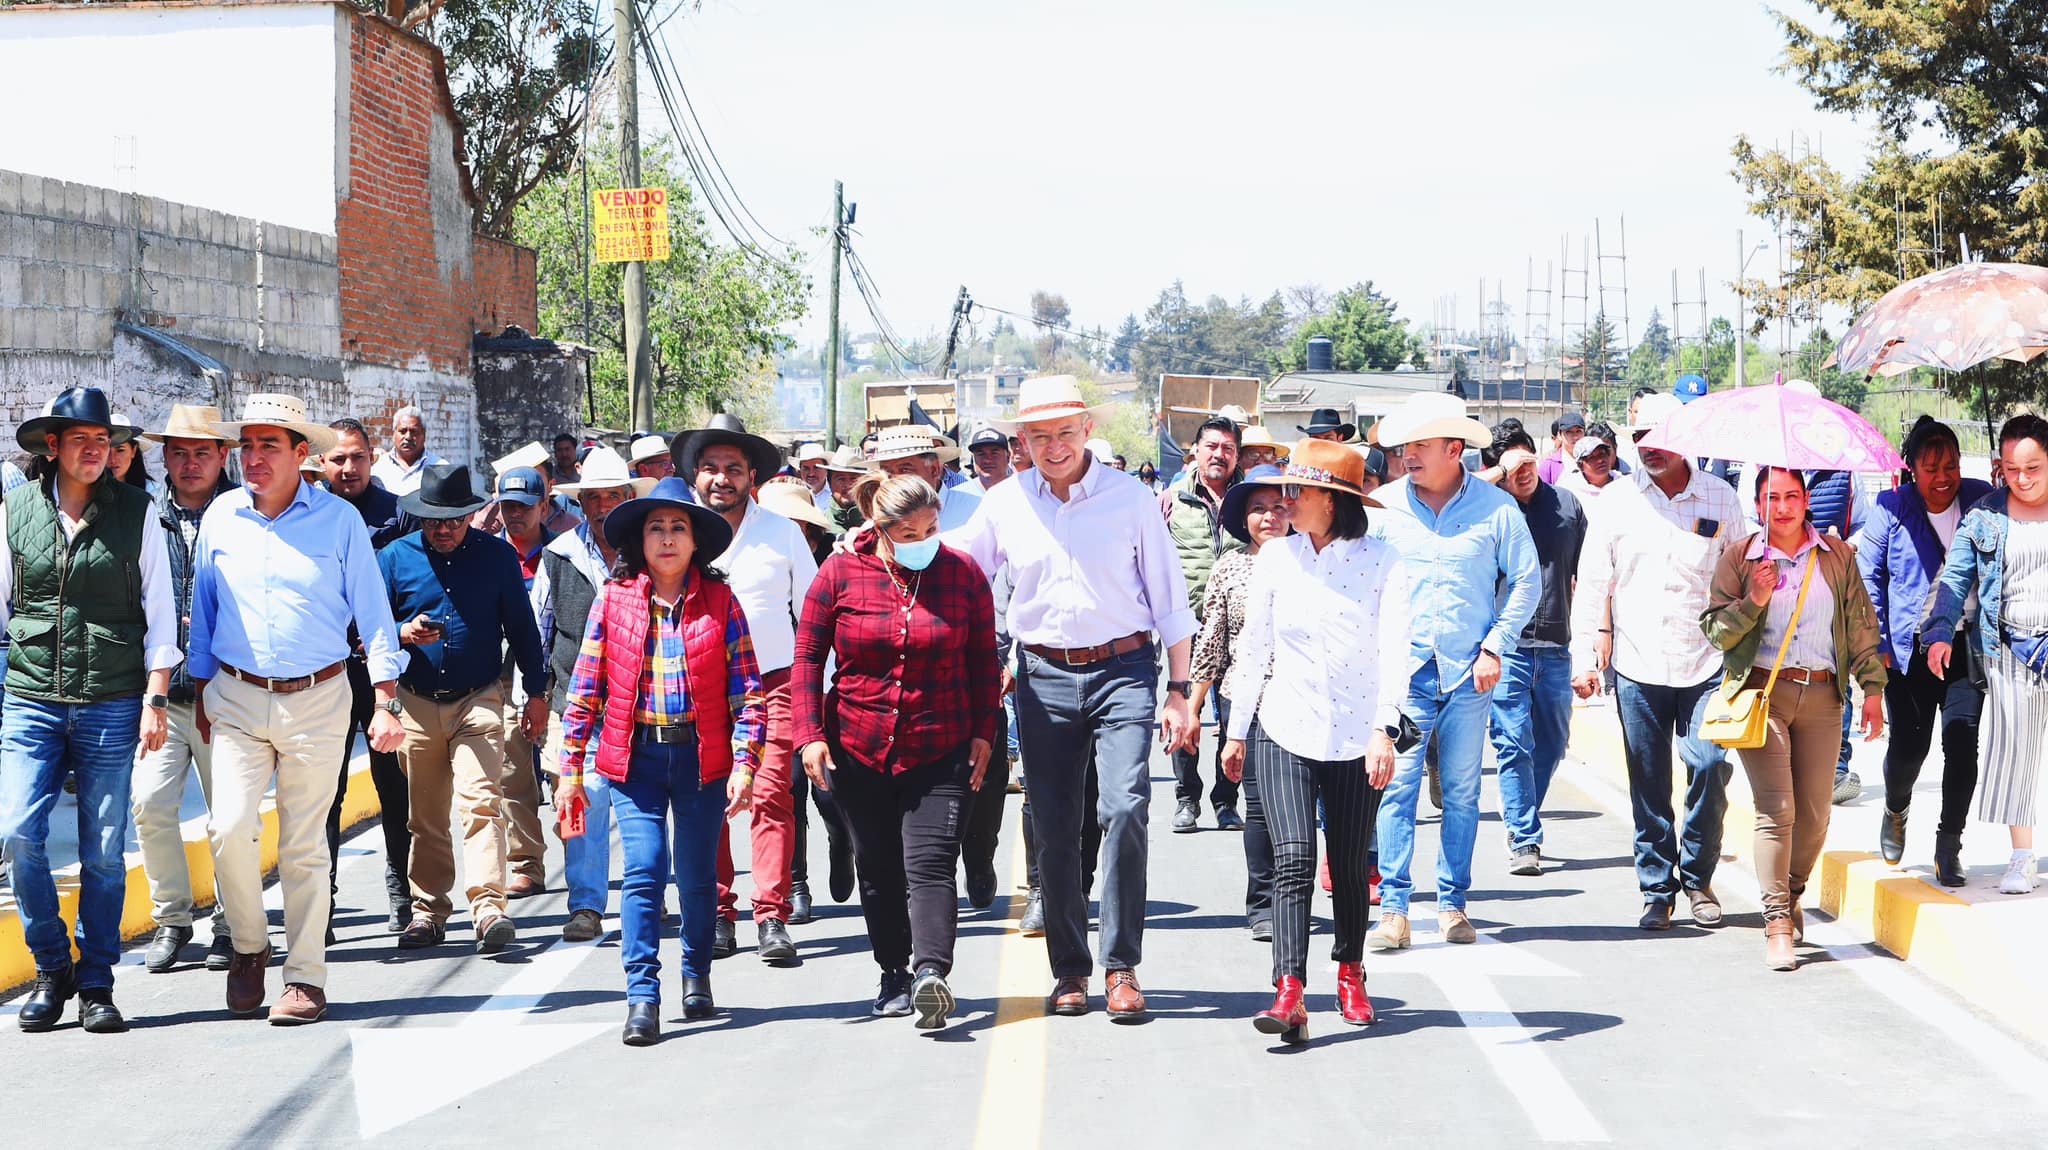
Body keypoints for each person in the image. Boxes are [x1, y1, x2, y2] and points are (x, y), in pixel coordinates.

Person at [947, 375, 1197, 1021]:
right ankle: (1069, 971)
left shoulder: (1130, 499)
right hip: (1043, 680)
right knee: (1055, 829)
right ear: (1021, 440)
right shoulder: (1003, 504)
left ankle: (1121, 966)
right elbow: (956, 572)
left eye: (1064, 431)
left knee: (1125, 808)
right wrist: (885, 547)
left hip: (1124, 672)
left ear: (1086, 428)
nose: (1054, 446)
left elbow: (1170, 600)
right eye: (1039, 435)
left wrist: (1179, 690)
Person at [191, 394, 406, 1025]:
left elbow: (374, 614)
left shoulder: (339, 522)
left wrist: (386, 699)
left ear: (299, 455)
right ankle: (250, 949)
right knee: (228, 829)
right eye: (247, 445)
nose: (253, 458)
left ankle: (305, 977)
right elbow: (204, 612)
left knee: (306, 845)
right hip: (233, 696)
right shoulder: (222, 517)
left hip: (318, 699)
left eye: (269, 446)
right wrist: (201, 689)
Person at [556, 477, 765, 1045]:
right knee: (645, 874)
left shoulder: (722, 603)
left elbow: (748, 692)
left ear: (695, 541)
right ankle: (642, 995)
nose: (668, 539)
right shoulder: (615, 600)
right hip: (636, 761)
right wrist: (571, 771)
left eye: (679, 529)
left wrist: (745, 766)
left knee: (698, 879)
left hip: (703, 762)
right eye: (656, 529)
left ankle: (696, 972)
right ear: (639, 542)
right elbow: (585, 690)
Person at [0, 386, 179, 1034]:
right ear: (53, 447)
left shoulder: (138, 512)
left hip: (112, 702)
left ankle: (97, 983)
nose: (96, 451)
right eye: (82, 440)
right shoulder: (14, 512)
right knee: (19, 833)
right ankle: (53, 967)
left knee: (105, 851)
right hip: (31, 701)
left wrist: (156, 698)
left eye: (104, 441)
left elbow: (162, 616)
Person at [792, 473, 998, 1026]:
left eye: (931, 527)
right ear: (880, 530)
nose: (924, 539)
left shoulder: (963, 574)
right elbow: (808, 658)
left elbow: (984, 659)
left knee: (930, 864)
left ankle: (931, 971)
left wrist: (985, 729)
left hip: (942, 743)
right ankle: (893, 973)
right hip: (857, 745)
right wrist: (809, 734)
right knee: (879, 867)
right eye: (909, 532)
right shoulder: (839, 573)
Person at [1221, 440, 1407, 1040]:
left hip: (1358, 736)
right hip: (1284, 727)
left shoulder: (1384, 562)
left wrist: (1385, 728)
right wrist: (1236, 730)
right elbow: (1253, 648)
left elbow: (1398, 652)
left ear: (1334, 500)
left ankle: (1350, 969)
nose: (1285, 502)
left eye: (1297, 492)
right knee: (1294, 858)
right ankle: (1289, 990)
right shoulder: (1277, 560)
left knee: (1350, 864)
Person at [1367, 393, 1539, 949]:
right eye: (1405, 446)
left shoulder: (1496, 510)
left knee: (1463, 792)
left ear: (1454, 449)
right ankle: (1394, 909)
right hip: (1405, 674)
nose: (1408, 455)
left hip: (1468, 673)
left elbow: (1526, 582)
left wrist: (1496, 645)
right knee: (1397, 788)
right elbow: (1363, 582)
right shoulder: (1384, 509)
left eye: (1420, 445)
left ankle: (1452, 904)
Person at [1570, 392, 1746, 930]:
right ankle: (1656, 888)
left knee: (1711, 765)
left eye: (1659, 438)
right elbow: (1593, 583)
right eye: (1639, 438)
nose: (1648, 448)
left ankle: (1697, 875)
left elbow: (1742, 574)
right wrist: (1586, 656)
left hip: (1707, 664)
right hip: (1638, 665)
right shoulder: (1618, 502)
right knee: (1647, 779)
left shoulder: (1721, 500)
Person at [1703, 466, 1886, 970]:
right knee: (1777, 809)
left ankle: (1793, 890)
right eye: (1771, 498)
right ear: (1758, 503)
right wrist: (1755, 599)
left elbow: (1860, 623)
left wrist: (1872, 690)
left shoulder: (1837, 555)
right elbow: (1716, 632)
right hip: (1764, 696)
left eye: (1790, 496)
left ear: (1806, 500)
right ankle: (1777, 921)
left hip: (1824, 697)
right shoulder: (1742, 557)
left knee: (1815, 816)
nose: (1781, 507)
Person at [380, 464, 550, 953]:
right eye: (435, 521)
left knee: (481, 803)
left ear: (471, 516)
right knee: (426, 815)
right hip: (414, 701)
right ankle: (428, 912)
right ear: (421, 519)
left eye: (454, 520)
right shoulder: (393, 559)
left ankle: (489, 909)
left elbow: (523, 630)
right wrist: (403, 633)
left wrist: (535, 695)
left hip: (479, 698)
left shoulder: (497, 558)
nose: (445, 529)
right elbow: (365, 630)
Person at [673, 413, 815, 962]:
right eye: (710, 468)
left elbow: (811, 616)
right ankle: (720, 912)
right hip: (698, 684)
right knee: (708, 798)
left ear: (751, 475)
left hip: (774, 682)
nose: (721, 479)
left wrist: (814, 696)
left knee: (771, 794)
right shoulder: (677, 535)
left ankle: (771, 915)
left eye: (733, 468)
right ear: (694, 476)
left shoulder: (781, 533)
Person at [1856, 417, 1993, 885]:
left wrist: (2005, 490)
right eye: (1931, 467)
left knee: (1962, 747)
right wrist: (1877, 647)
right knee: (1910, 750)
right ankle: (1896, 808)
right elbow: (1868, 578)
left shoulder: (1981, 498)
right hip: (1908, 650)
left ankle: (1948, 843)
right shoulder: (1891, 507)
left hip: (1966, 645)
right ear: (1911, 468)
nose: (1943, 478)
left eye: (1951, 466)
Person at [133, 405, 239, 975]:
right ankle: (172, 919)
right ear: (164, 458)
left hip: (228, 694)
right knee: (150, 804)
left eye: (202, 452)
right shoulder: (145, 515)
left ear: (224, 456)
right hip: (164, 694)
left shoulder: (244, 513)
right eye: (178, 452)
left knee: (230, 816)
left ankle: (231, 922)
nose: (190, 462)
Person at [532, 447, 654, 940]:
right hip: (574, 703)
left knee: (644, 803)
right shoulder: (558, 556)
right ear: (582, 503)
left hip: (643, 704)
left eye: (613, 496)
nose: (603, 506)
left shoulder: (650, 553)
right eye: (594, 498)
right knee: (579, 799)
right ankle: (585, 903)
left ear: (628, 499)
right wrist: (535, 698)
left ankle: (646, 894)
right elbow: (539, 630)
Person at [1924, 414, 2048, 896]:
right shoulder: (1983, 517)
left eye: (2034, 468)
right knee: (2016, 754)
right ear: (2000, 467)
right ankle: (2022, 857)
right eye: (2013, 470)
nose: (2023, 480)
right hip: (2013, 649)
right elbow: (1955, 581)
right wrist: (1939, 632)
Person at [321, 417, 420, 932]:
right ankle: (325, 896)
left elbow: (411, 588)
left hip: (384, 673)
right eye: (338, 458)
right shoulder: (311, 514)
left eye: (358, 457)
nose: (348, 468)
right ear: (320, 461)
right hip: (325, 676)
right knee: (325, 789)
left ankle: (399, 886)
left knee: (392, 783)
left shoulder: (396, 516)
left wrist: (396, 632)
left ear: (373, 458)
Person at [1191, 464, 1293, 938]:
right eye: (1258, 509)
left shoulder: (1309, 562)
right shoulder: (1229, 568)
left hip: (1301, 699)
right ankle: (1262, 905)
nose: (1269, 517)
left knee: (1292, 808)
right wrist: (1192, 706)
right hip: (1242, 701)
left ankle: (1292, 896)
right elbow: (1211, 642)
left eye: (1278, 507)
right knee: (1257, 804)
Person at [1479, 429, 1587, 875]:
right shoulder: (1488, 508)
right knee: (1512, 743)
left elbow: (1587, 578)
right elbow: (1461, 490)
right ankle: (1525, 837)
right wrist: (1501, 474)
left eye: (1527, 463)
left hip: (1558, 645)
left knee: (1553, 743)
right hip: (1508, 648)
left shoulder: (1566, 505)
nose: (1523, 474)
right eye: (1511, 468)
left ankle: (1522, 811)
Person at [758, 476, 854, 922]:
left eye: (800, 528)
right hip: (775, 690)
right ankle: (796, 884)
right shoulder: (756, 561)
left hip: (830, 688)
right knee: (787, 786)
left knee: (830, 792)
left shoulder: (837, 567)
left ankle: (843, 840)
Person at [1161, 415, 1244, 833]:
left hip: (1240, 630)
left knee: (1233, 719)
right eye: (1211, 446)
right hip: (1189, 627)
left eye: (1228, 448)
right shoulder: (1171, 500)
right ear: (1195, 451)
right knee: (1183, 713)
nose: (1219, 455)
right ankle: (1186, 798)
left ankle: (1226, 801)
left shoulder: (1249, 498)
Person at [492, 464, 556, 897]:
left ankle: (585, 864)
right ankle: (526, 862)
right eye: (508, 506)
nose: (516, 515)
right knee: (513, 774)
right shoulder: (488, 555)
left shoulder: (561, 554)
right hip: (504, 677)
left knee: (563, 771)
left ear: (544, 506)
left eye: (525, 507)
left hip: (558, 676)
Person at [870, 425, 982, 530]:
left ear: (934, 469)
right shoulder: (880, 520)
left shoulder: (977, 510)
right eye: (888, 473)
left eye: (905, 470)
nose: (895, 480)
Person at [369, 405, 444, 496]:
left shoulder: (440, 468)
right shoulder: (378, 468)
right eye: (403, 431)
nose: (408, 437)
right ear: (394, 434)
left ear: (424, 435)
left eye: (414, 431)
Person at [821, 445, 868, 533]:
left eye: (854, 479)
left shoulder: (876, 524)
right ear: (829, 483)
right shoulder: (820, 525)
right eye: (841, 479)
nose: (848, 485)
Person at [1537, 411, 1587, 485]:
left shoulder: (1592, 461)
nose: (1575, 436)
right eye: (1569, 432)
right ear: (1559, 435)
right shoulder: (1549, 465)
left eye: (1578, 431)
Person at [967, 426, 1012, 491]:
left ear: (1008, 456)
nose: (987, 460)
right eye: (981, 454)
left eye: (994, 453)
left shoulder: (1023, 491)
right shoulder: (959, 494)